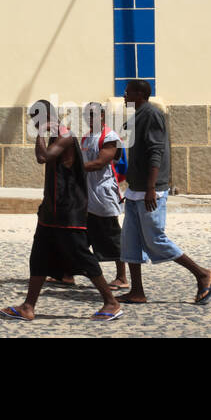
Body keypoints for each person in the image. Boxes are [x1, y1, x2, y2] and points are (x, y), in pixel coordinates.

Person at [2, 100, 122, 322]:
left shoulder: (65, 136)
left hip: (68, 210)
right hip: (51, 212)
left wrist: (38, 135)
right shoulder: (55, 135)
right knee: (38, 257)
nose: (33, 123)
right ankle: (28, 306)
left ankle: (111, 302)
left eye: (35, 119)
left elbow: (43, 157)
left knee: (82, 255)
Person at [121, 79, 211, 305]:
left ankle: (201, 274)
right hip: (134, 190)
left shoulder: (152, 115)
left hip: (150, 190)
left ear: (140, 94)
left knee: (155, 239)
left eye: (128, 92)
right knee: (130, 241)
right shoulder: (135, 115)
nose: (124, 95)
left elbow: (156, 151)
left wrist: (150, 188)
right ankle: (137, 291)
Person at [81, 102, 128, 289]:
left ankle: (122, 277)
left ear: (102, 116)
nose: (89, 118)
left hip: (104, 194)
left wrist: (69, 167)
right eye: (86, 114)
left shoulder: (109, 137)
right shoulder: (86, 138)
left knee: (112, 235)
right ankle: (67, 273)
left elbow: (100, 163)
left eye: (93, 114)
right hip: (88, 195)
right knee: (80, 236)